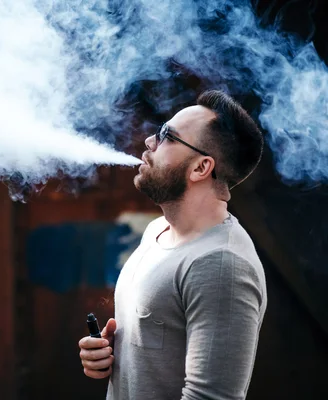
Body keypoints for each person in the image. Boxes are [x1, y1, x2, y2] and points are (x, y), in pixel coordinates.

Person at [78, 90, 267, 400]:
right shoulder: (157, 231)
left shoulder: (221, 264)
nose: (149, 142)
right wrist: (107, 355)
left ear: (200, 168)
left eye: (167, 136)